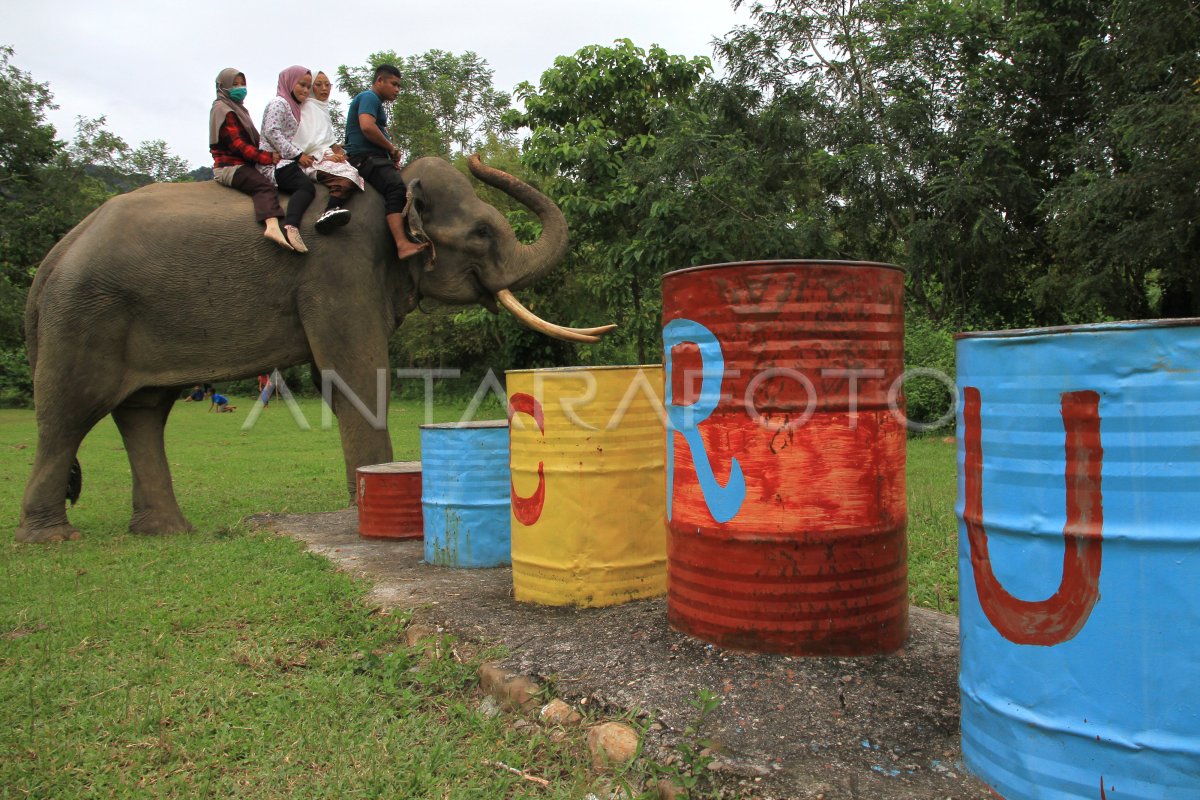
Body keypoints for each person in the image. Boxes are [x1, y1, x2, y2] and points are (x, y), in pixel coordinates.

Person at [344, 64, 429, 261]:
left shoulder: (376, 103)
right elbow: (366, 126)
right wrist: (391, 148)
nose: (397, 90)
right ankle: (401, 244)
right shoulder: (369, 97)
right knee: (396, 189)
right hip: (364, 158)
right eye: (394, 84)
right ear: (379, 80)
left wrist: (390, 154)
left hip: (374, 157)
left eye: (399, 86)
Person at [209, 68, 292, 251]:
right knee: (263, 185)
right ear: (223, 87)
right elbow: (237, 145)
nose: (240, 88)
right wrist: (267, 157)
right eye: (235, 85)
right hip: (230, 166)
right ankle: (271, 226)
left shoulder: (237, 110)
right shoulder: (223, 110)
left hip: (243, 162)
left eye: (242, 84)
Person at [293, 71, 364, 234]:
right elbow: (308, 142)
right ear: (311, 88)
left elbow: (327, 140)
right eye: (318, 85)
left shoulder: (322, 109)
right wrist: (328, 156)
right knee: (347, 176)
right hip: (311, 159)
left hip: (325, 155)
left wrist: (340, 153)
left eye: (327, 85)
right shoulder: (308, 107)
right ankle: (330, 209)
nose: (324, 89)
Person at [258, 66, 317, 253]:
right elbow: (272, 131)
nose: (305, 91)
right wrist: (297, 155)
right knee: (306, 187)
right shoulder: (279, 103)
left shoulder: (294, 107)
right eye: (302, 85)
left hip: (285, 158)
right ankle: (292, 226)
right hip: (274, 163)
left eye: (309, 87)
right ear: (290, 82)